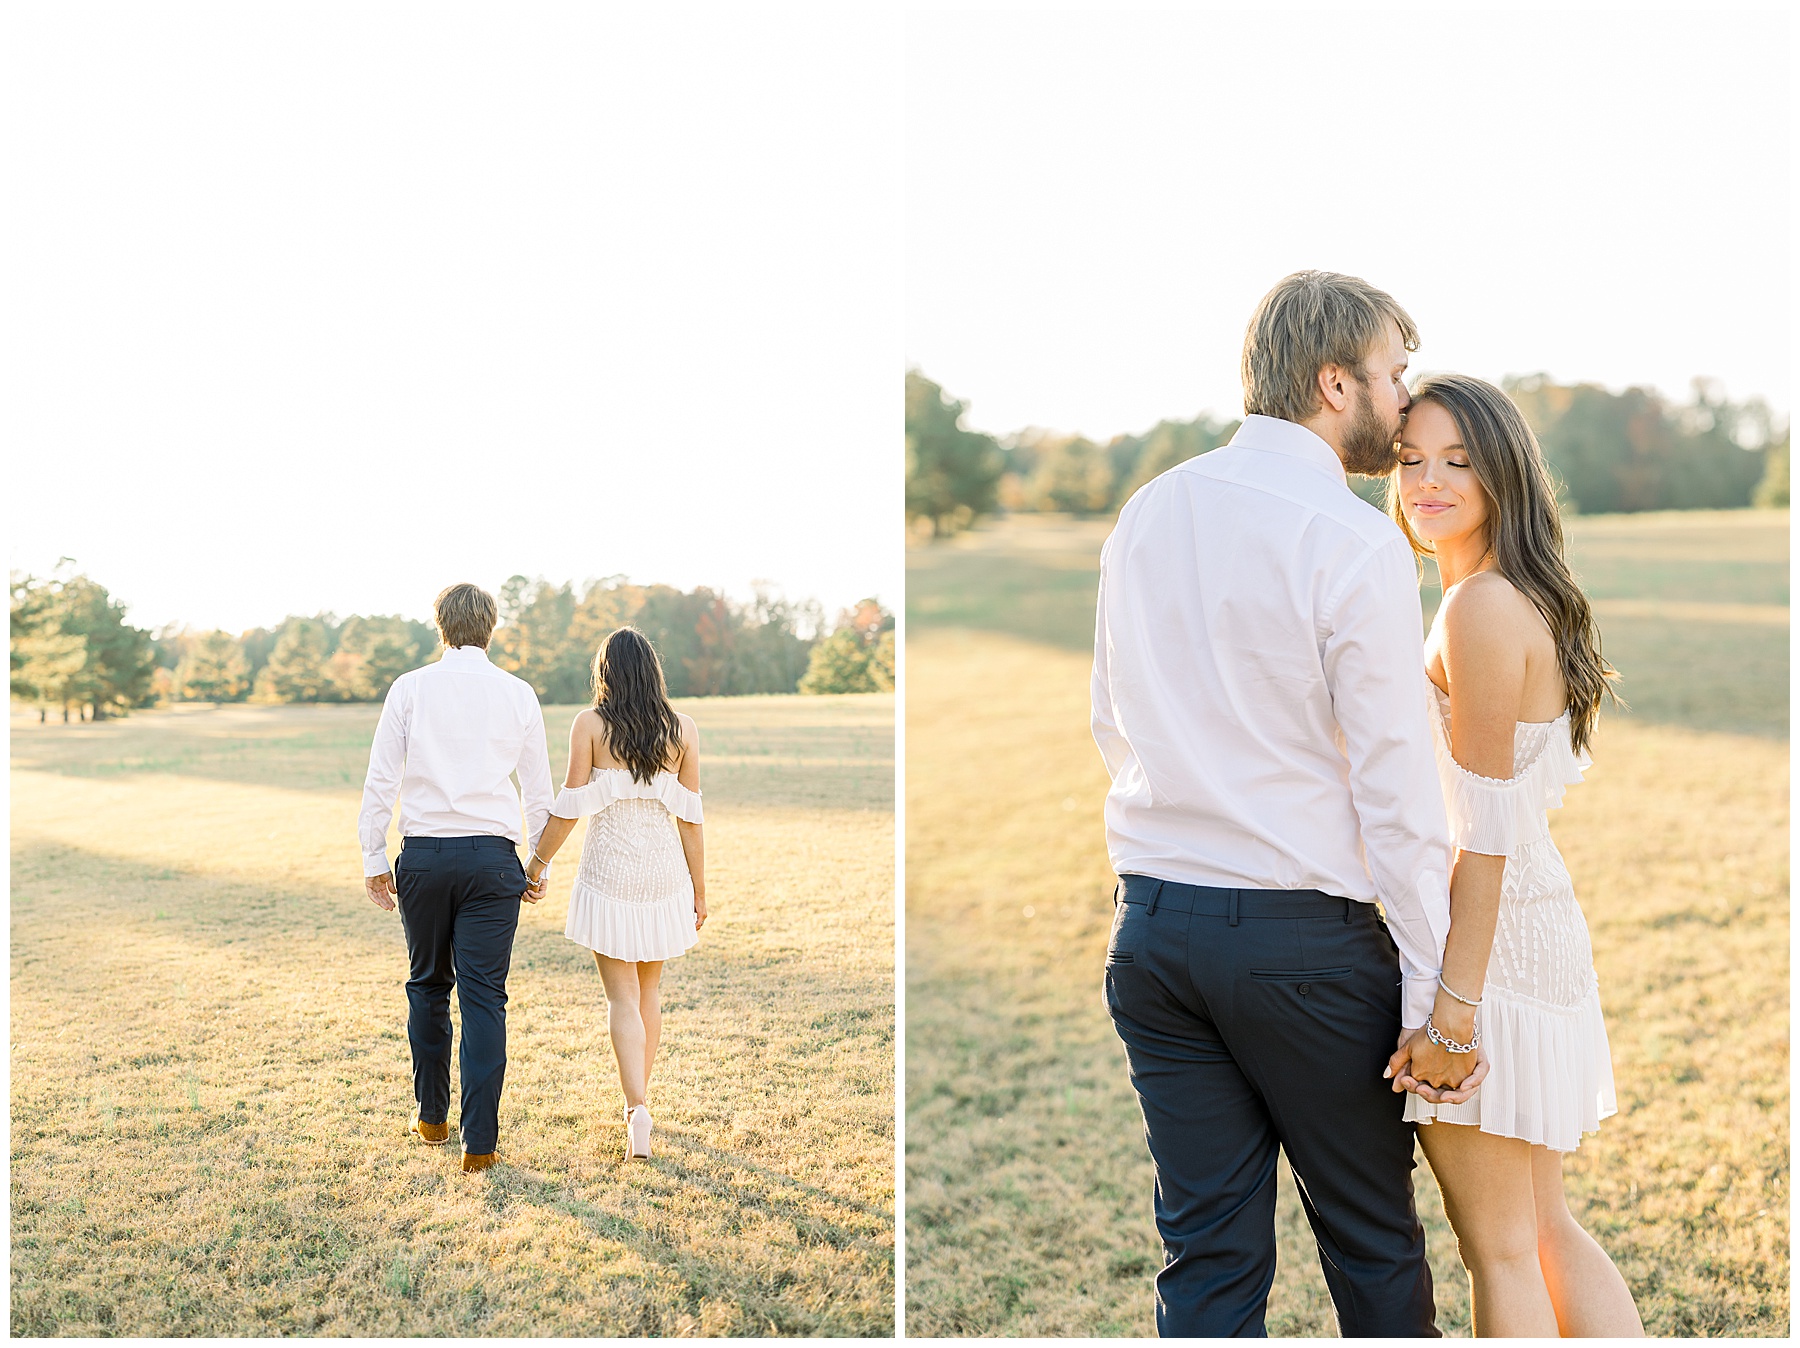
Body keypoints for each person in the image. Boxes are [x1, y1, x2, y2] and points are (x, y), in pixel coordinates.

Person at [1093, 270, 1484, 1337]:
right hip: (1305, 947)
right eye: (1393, 375)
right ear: (1334, 383)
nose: (1403, 401)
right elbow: (1397, 790)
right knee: (1370, 1241)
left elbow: (1111, 718)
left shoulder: (1149, 509)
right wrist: (1428, 994)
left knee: (1206, 1256)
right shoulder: (1350, 538)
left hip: (1153, 933)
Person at [1384, 374, 1642, 1336]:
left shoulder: (1480, 610)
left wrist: (1454, 1017)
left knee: (1501, 1245)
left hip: (1489, 952)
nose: (1428, 481)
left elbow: (1480, 833)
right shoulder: (1499, 595)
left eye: (1457, 461)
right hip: (1526, 929)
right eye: (1411, 460)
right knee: (1538, 1231)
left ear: (1503, 474)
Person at [358, 582, 553, 1174]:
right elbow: (538, 792)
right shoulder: (518, 693)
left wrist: (373, 857)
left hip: (424, 857)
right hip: (494, 860)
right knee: (485, 997)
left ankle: (432, 1118)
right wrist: (539, 862)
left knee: (427, 985)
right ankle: (480, 1145)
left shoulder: (410, 688)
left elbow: (381, 779)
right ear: (490, 628)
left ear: (440, 627)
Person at [525, 627, 707, 1160]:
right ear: (653, 670)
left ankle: (636, 1107)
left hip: (608, 871)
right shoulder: (682, 729)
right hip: (663, 874)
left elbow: (568, 807)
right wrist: (699, 891)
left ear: (605, 672)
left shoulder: (589, 725)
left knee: (620, 997)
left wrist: (536, 864)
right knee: (649, 993)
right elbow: (691, 820)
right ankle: (640, 1104)